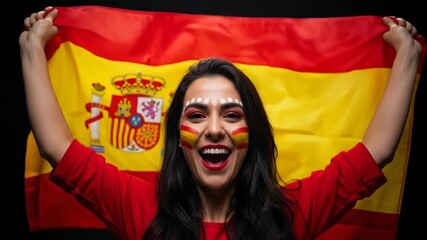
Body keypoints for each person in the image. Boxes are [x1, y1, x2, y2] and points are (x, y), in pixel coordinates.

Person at [19, 6, 422, 240]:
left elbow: (378, 151)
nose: (214, 128)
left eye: (232, 114)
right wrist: (32, 49)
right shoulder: (142, 210)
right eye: (197, 115)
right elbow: (57, 147)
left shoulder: (291, 215)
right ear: (178, 138)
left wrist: (406, 55)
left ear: (255, 137)